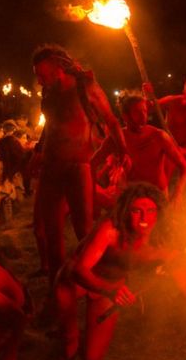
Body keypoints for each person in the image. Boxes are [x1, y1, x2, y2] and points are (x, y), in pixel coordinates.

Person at [54, 183, 186, 360]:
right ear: (127, 211)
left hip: (110, 287)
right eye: (137, 211)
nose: (144, 217)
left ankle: (77, 327)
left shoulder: (162, 248)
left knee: (92, 358)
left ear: (158, 213)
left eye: (151, 211)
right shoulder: (110, 229)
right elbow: (81, 270)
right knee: (70, 341)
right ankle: (65, 339)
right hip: (75, 280)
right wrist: (110, 290)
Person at [32, 44, 129, 285]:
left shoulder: (85, 87)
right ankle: (58, 287)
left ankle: (97, 281)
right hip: (50, 168)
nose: (39, 81)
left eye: (42, 75)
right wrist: (38, 150)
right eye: (37, 76)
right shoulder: (48, 92)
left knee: (84, 231)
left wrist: (123, 150)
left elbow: (112, 122)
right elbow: (50, 125)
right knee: (52, 231)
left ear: (57, 69)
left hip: (78, 167)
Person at [93, 91, 186, 203]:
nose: (143, 116)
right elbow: (91, 165)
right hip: (131, 196)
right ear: (125, 116)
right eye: (138, 112)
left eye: (144, 111)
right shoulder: (116, 139)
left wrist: (178, 193)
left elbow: (185, 168)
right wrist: (98, 191)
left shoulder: (159, 136)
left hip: (157, 195)